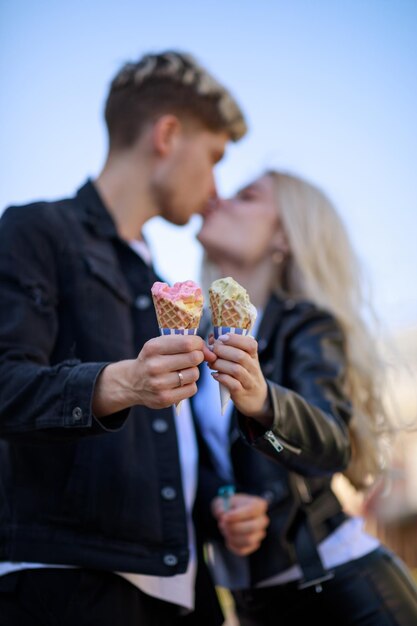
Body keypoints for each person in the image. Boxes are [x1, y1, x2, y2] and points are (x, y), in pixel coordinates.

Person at [0, 50, 248, 625]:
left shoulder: (160, 283)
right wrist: (121, 382)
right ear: (167, 134)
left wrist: (222, 507)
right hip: (68, 588)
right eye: (213, 157)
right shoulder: (36, 230)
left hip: (177, 591)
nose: (215, 187)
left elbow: (165, 445)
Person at [193, 169, 417, 624]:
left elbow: (332, 444)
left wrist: (263, 402)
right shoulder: (192, 341)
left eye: (247, 197)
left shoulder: (308, 325)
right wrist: (221, 502)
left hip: (347, 590)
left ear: (284, 236)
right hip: (256, 604)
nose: (218, 201)